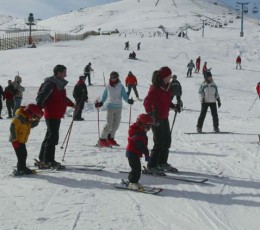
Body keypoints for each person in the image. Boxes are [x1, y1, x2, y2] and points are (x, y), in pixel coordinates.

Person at [36, 64, 75, 168]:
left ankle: (43, 158)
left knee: (49, 136)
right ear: (58, 73)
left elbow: (62, 98)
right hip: (51, 114)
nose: (65, 75)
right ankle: (48, 160)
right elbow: (41, 97)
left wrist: (72, 104)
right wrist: (38, 110)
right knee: (52, 137)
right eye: (64, 72)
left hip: (56, 114)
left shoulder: (59, 84)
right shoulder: (51, 84)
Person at [143, 66, 181, 174]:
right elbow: (147, 102)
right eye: (169, 76)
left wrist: (174, 106)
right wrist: (151, 114)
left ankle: (162, 163)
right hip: (156, 119)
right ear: (164, 76)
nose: (170, 77)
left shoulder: (167, 87)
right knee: (159, 142)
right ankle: (152, 165)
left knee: (167, 141)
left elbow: (166, 101)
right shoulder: (155, 88)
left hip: (164, 117)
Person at [95, 71, 134, 147]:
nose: (114, 79)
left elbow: (124, 96)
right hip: (110, 107)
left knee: (116, 125)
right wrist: (101, 103)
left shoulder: (120, 86)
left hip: (119, 107)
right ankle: (102, 140)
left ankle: (110, 138)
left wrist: (129, 101)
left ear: (117, 77)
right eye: (112, 77)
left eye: (115, 77)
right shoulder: (108, 86)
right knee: (109, 125)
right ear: (110, 77)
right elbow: (104, 96)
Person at [10, 104, 43, 175]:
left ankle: (22, 167)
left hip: (21, 141)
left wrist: (37, 119)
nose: (33, 118)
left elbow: (30, 125)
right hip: (16, 141)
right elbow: (12, 128)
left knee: (23, 154)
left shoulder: (26, 118)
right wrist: (14, 140)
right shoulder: (18, 118)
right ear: (29, 112)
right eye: (34, 116)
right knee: (21, 155)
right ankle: (21, 168)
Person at [126, 114, 154, 191]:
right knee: (136, 169)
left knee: (136, 168)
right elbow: (140, 145)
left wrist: (146, 154)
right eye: (147, 126)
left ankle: (131, 181)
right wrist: (146, 154)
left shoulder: (139, 131)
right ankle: (132, 183)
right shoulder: (137, 133)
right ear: (141, 124)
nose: (148, 129)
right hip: (132, 153)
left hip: (134, 153)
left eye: (150, 127)